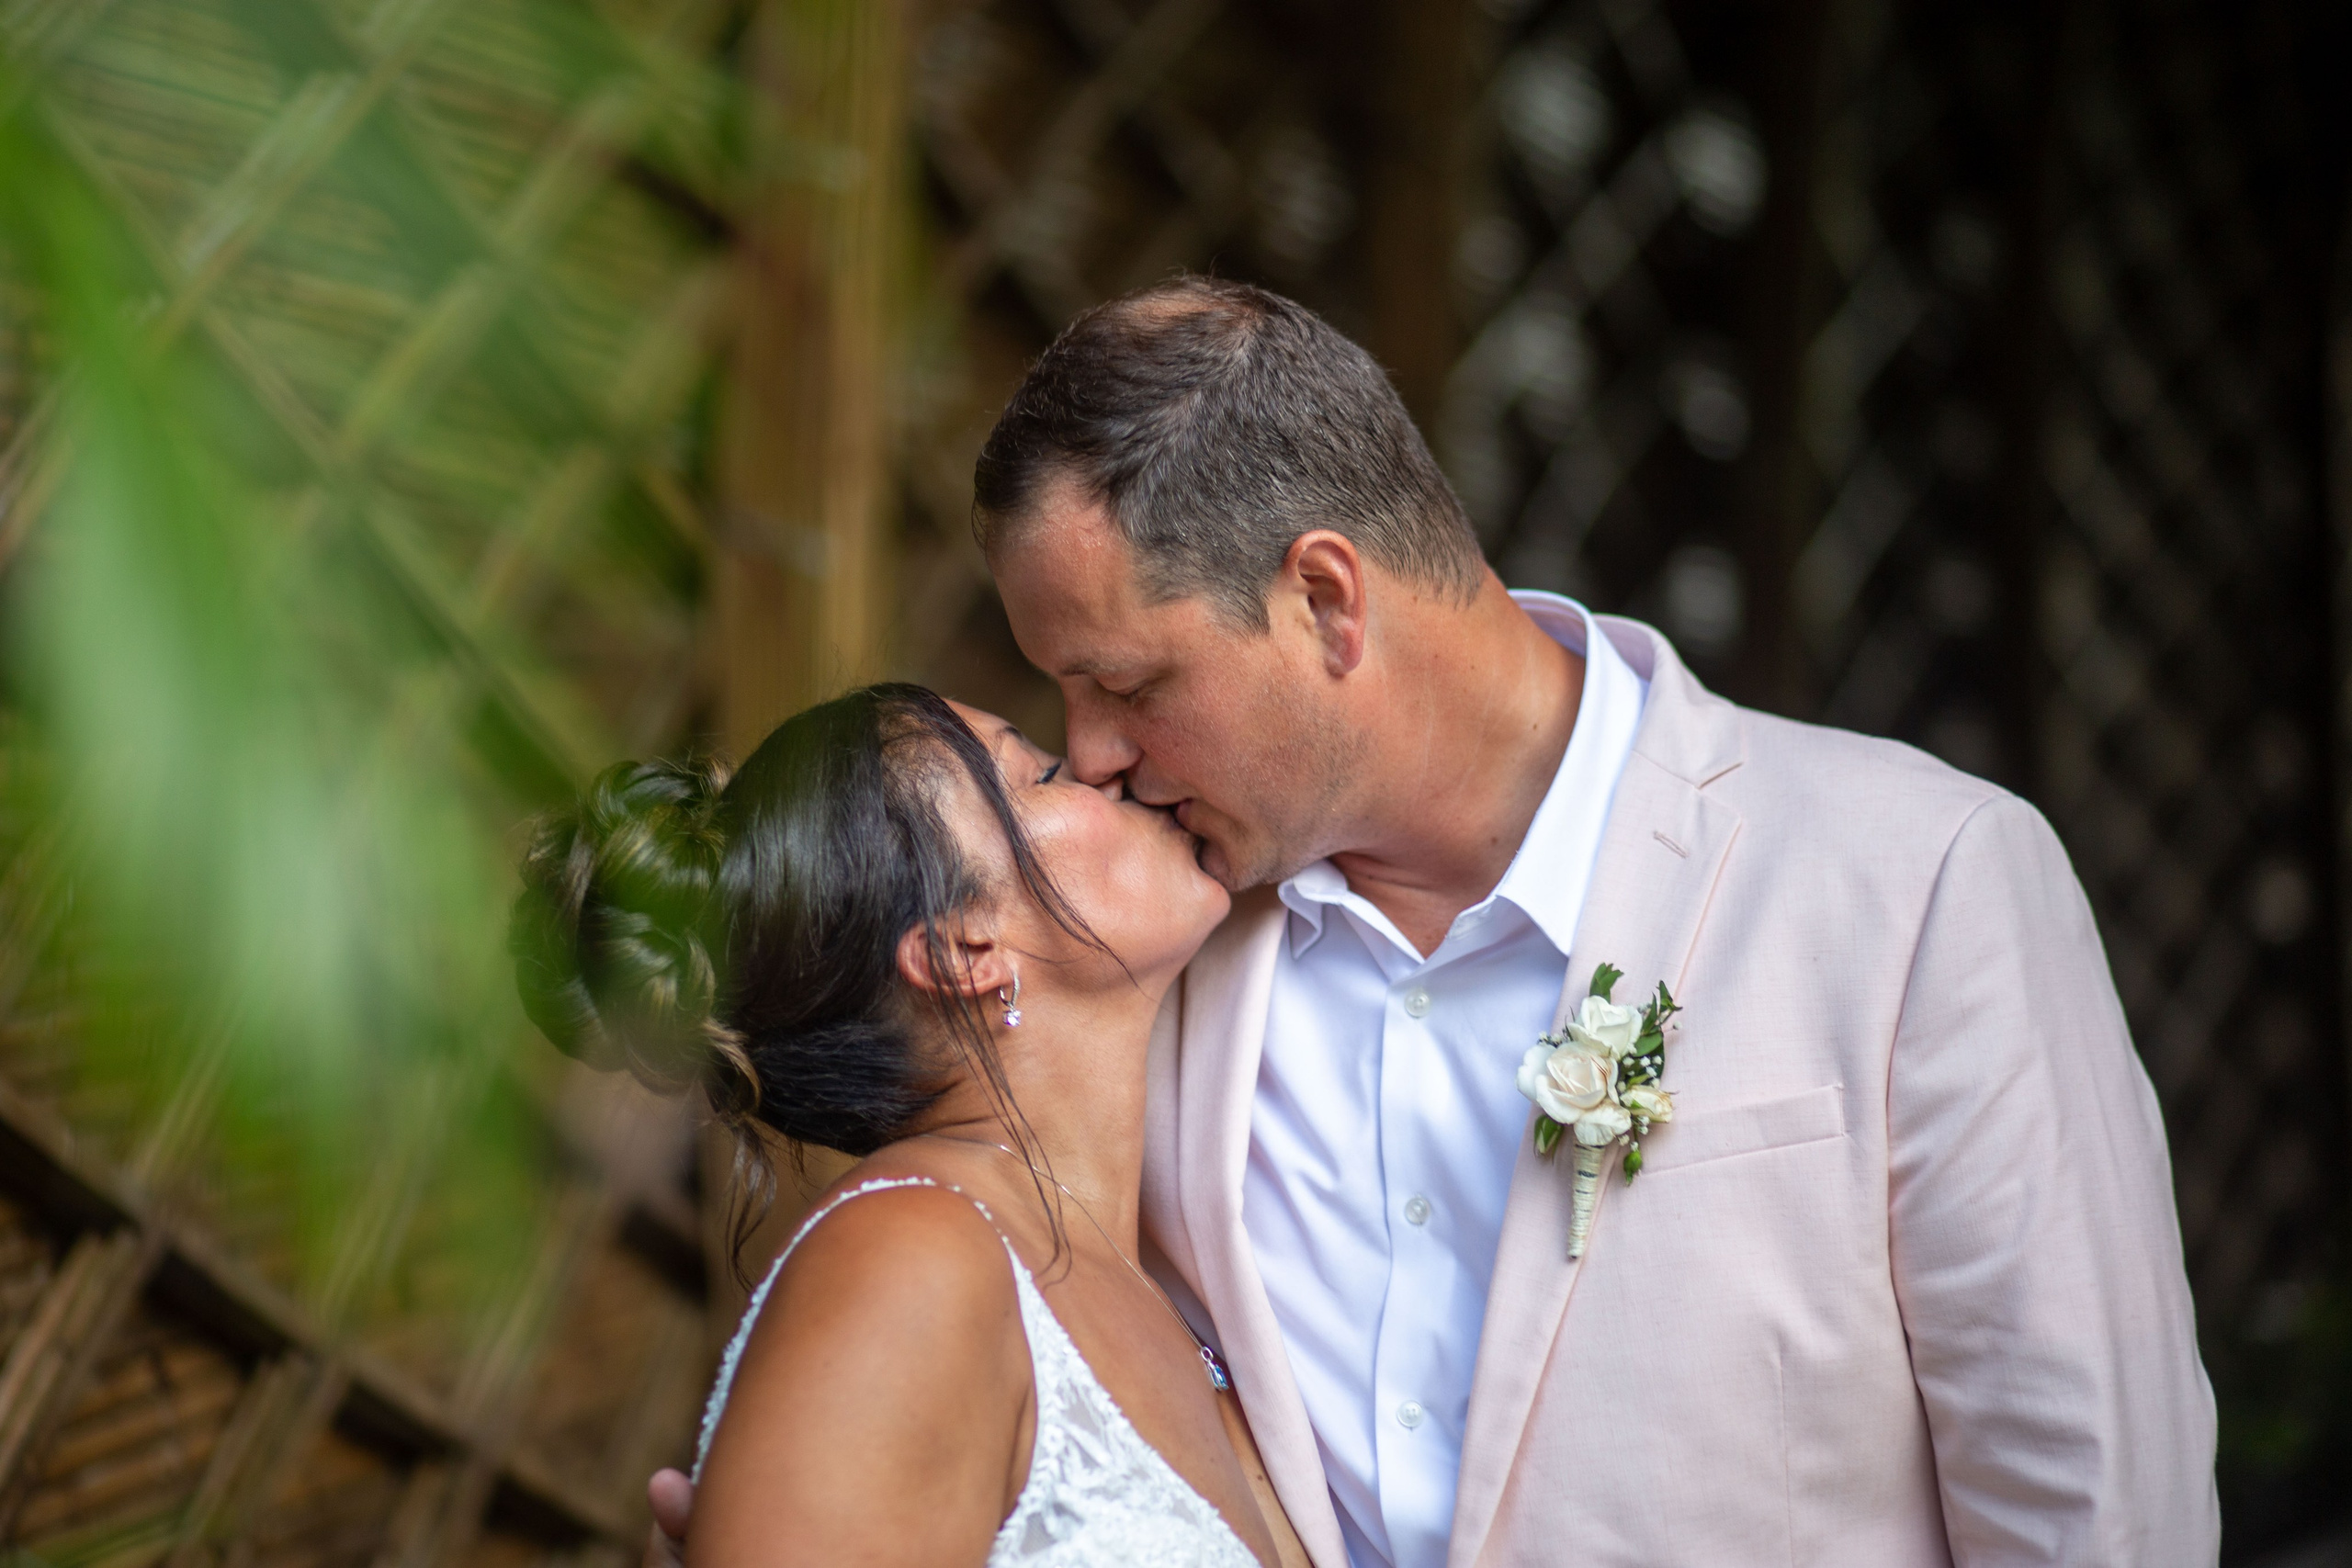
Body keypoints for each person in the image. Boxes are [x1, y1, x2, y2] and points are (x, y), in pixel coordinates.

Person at [642, 278, 2219, 1565]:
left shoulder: (1916, 882)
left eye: (1122, 684)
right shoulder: (1152, 987)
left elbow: (2098, 1516)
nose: (1100, 754)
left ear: (1328, 601)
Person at [512, 683, 1310, 1566]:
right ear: (964, 949)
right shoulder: (910, 1261)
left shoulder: (1173, 1286)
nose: (1102, 770)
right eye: (1041, 773)